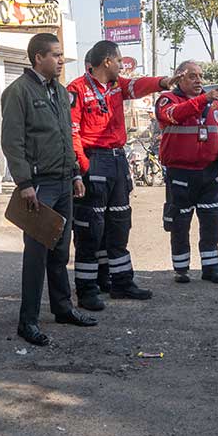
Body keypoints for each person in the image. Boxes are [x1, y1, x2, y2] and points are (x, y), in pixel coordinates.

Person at [1, 33, 98, 345]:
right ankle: (27, 321)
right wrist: (24, 183)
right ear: (38, 57)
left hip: (62, 183)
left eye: (61, 56)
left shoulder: (58, 90)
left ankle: (62, 307)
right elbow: (12, 142)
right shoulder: (18, 92)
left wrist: (75, 175)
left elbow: (66, 136)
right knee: (36, 254)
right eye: (55, 55)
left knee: (60, 249)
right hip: (39, 185)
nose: (60, 61)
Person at [68, 40, 176, 310]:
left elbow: (138, 86)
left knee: (119, 224)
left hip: (117, 160)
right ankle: (87, 289)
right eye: (118, 61)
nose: (121, 66)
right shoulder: (77, 89)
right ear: (107, 61)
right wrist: (84, 167)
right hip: (94, 161)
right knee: (90, 230)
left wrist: (164, 81)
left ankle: (121, 281)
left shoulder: (117, 86)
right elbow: (72, 133)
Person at [155, 61, 218, 284]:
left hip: (209, 173)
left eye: (200, 76)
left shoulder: (213, 104)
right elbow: (174, 115)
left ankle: (211, 268)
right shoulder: (167, 100)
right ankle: (181, 269)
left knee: (212, 220)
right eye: (192, 76)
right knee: (180, 222)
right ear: (179, 78)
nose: (198, 80)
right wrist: (203, 100)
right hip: (180, 173)